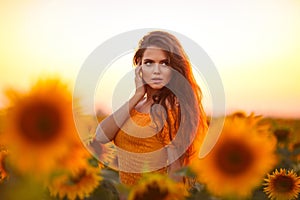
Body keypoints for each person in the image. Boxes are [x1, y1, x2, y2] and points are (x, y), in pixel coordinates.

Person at [91, 30, 207, 187]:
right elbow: (101, 136)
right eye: (149, 62)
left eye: (164, 63)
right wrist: (137, 95)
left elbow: (176, 175)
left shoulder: (171, 108)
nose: (156, 70)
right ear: (139, 66)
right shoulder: (136, 104)